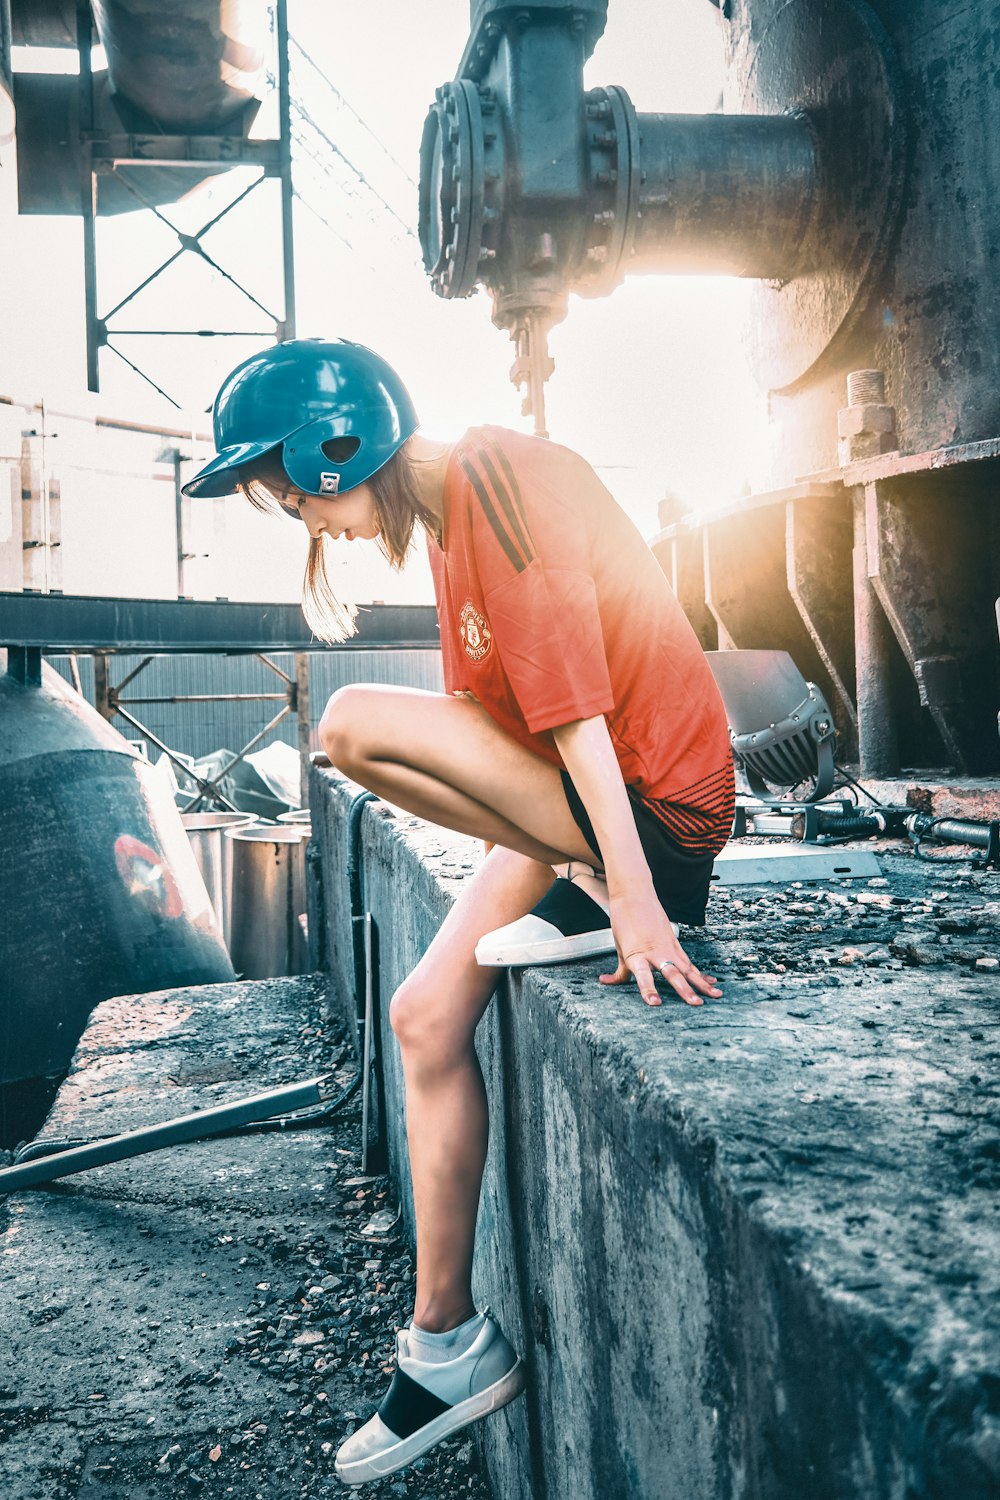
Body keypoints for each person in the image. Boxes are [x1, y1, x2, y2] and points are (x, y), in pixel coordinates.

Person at [182, 337, 734, 1487]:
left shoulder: (495, 475)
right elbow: (505, 736)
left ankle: (613, 895)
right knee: (425, 1015)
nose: (310, 524)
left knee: (348, 726)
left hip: (652, 815)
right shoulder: (449, 525)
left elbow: (577, 715)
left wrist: (636, 906)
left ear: (337, 455)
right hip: (581, 815)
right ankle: (448, 1345)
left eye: (293, 498)